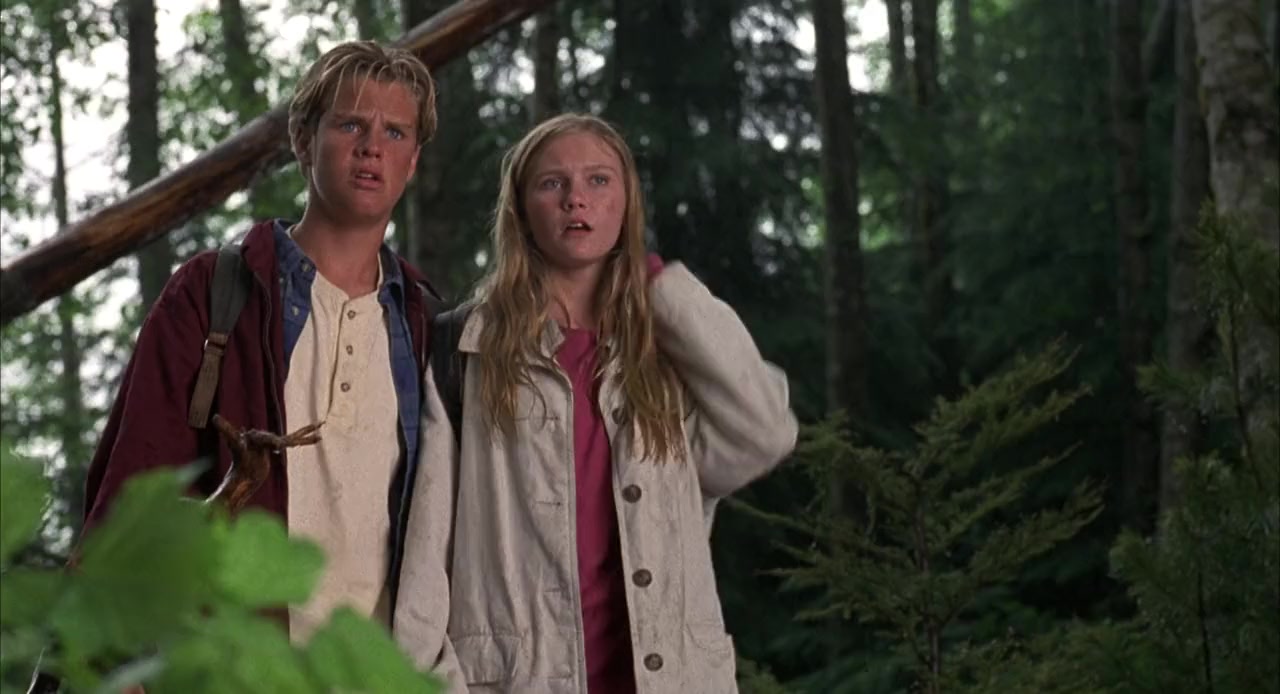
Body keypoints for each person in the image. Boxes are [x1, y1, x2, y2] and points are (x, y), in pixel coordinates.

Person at [394, 113, 798, 693]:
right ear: (521, 210)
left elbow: (765, 430)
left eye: (599, 180)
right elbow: (426, 552)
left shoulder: (666, 352)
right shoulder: (468, 348)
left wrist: (658, 286)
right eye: (552, 183)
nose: (575, 199)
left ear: (627, 203)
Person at [83, 40, 441, 641]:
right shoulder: (215, 292)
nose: (372, 147)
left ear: (413, 162)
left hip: (381, 668)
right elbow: (133, 488)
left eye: (395, 132)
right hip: (235, 665)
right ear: (303, 140)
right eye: (350, 124)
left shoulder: (424, 319)